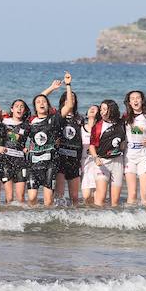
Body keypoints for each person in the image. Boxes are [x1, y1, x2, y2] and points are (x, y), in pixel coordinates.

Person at [90, 99, 127, 207]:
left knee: (115, 201)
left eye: (105, 109)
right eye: (101, 109)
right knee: (101, 197)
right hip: (102, 162)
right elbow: (92, 146)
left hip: (117, 162)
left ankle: (112, 217)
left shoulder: (121, 123)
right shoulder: (97, 126)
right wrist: (95, 158)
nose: (102, 112)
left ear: (112, 110)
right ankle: (98, 217)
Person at [123, 90, 146, 205]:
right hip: (129, 156)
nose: (135, 100)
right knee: (132, 194)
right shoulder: (125, 117)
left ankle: (145, 215)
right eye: (132, 98)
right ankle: (129, 215)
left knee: (145, 194)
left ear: (142, 101)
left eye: (138, 98)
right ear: (129, 102)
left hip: (144, 155)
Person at [55, 73, 83, 205]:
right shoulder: (58, 116)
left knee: (75, 197)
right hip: (60, 157)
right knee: (59, 195)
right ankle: (58, 215)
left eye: (72, 98)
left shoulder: (80, 118)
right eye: (67, 98)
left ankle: (75, 216)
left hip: (75, 158)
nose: (70, 100)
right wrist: (67, 85)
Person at [1, 99, 30, 204]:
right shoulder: (3, 122)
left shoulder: (27, 125)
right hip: (6, 161)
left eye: (22, 106)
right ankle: (8, 214)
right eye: (17, 106)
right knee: (9, 197)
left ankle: (21, 214)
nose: (19, 108)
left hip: (20, 162)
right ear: (12, 109)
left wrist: (28, 148)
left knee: (20, 197)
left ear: (24, 111)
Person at [80, 104, 99, 205]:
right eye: (90, 108)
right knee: (86, 196)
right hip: (84, 164)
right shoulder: (81, 129)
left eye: (95, 108)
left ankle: (97, 212)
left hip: (98, 163)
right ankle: (89, 212)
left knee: (97, 196)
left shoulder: (100, 128)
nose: (92, 109)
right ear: (86, 114)